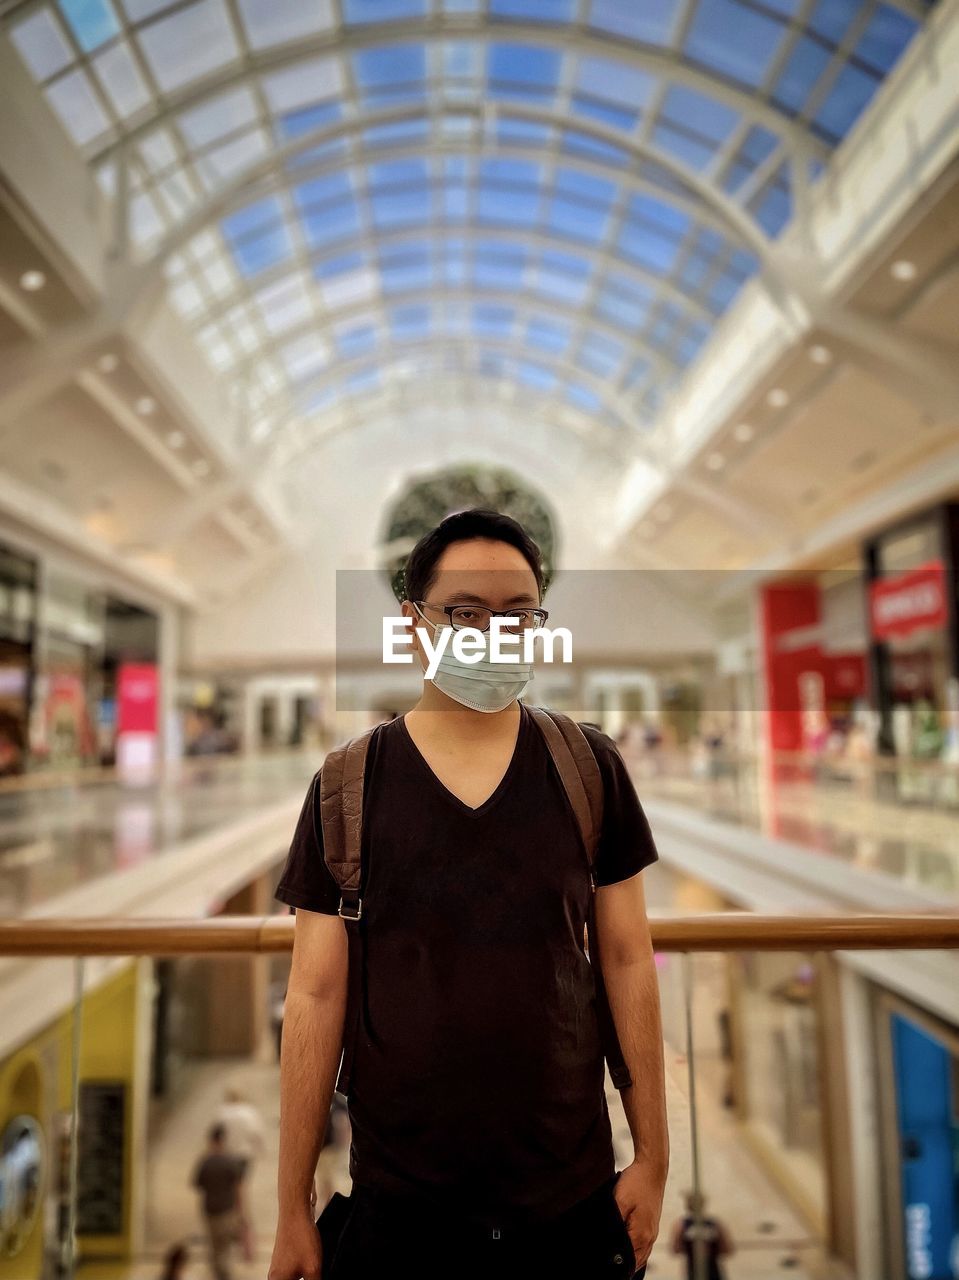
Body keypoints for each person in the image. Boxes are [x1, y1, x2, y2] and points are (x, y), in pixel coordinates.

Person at [268, 509, 668, 1280]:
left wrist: (653, 1157)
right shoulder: (347, 787)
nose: (493, 632)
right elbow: (314, 996)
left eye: (519, 613)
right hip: (399, 1214)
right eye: (464, 612)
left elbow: (625, 959)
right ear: (412, 624)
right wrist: (291, 1205)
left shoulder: (589, 769)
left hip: (572, 1207)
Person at [190, 1123, 245, 1280]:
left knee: (214, 1246)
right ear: (223, 1140)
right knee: (225, 1245)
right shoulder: (230, 1161)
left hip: (209, 1209)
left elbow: (197, 1184)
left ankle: (217, 1272)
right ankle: (224, 1272)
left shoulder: (205, 1162)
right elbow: (238, 1188)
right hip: (227, 1209)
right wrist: (240, 1210)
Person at [669, 1189, 734, 1280]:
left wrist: (709, 1247)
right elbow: (675, 1249)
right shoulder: (682, 1225)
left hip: (713, 1269)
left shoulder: (714, 1224)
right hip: (692, 1269)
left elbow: (727, 1249)